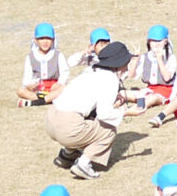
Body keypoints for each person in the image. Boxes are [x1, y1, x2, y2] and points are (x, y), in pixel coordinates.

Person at [46, 37, 126, 178]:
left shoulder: (90, 71)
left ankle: (67, 155)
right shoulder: (111, 79)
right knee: (109, 129)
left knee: (88, 118)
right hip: (68, 127)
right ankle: (83, 164)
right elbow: (104, 114)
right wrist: (126, 112)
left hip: (50, 120)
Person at [18, 24, 68, 109]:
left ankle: (38, 102)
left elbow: (65, 72)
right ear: (35, 40)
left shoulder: (58, 55)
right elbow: (27, 76)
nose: (45, 42)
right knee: (20, 91)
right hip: (38, 89)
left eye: (48, 39)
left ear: (53, 40)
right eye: (41, 39)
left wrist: (59, 83)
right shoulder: (30, 56)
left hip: (53, 88)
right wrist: (29, 85)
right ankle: (47, 100)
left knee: (64, 88)